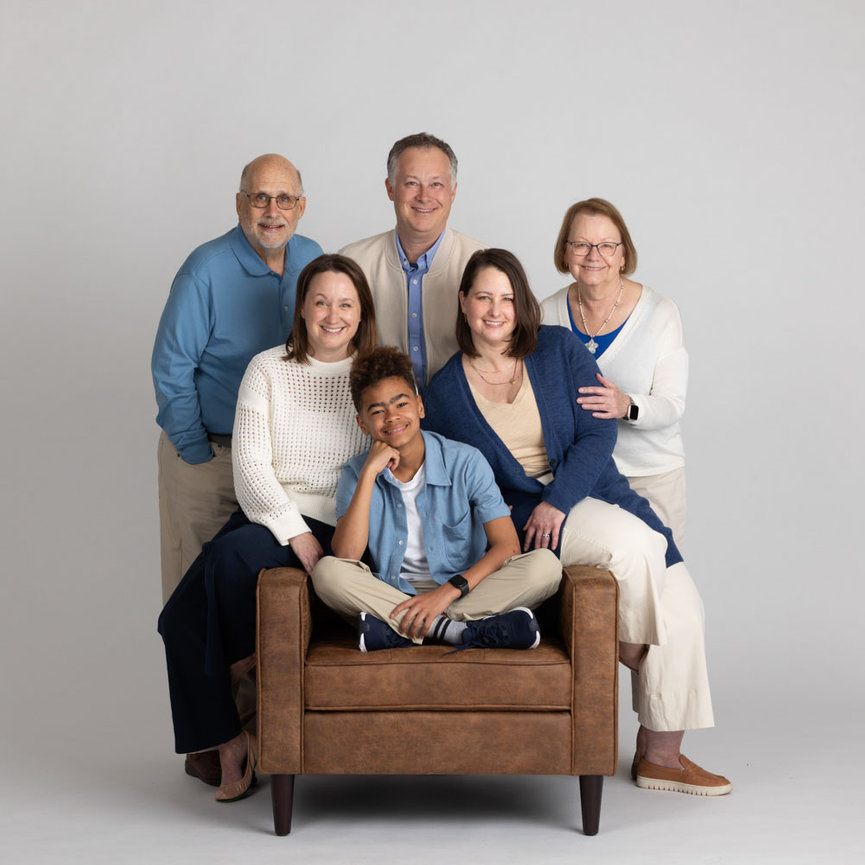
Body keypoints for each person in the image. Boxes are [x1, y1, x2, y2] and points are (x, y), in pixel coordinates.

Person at [423, 248, 730, 796]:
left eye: (507, 298)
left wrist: (559, 498)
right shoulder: (444, 393)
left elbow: (598, 432)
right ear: (464, 303)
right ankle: (636, 655)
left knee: (686, 607)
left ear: (521, 303)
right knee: (634, 547)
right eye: (484, 297)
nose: (495, 310)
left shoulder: (558, 349)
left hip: (593, 492)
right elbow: (458, 485)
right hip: (529, 523)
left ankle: (660, 757)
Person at [158, 254, 377, 804]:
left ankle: (233, 680)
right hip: (272, 515)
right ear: (302, 308)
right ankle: (231, 740)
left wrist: (328, 537)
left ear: (362, 312)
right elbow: (251, 466)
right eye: (321, 302)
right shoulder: (267, 368)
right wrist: (294, 533)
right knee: (176, 621)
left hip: (342, 523)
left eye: (345, 304)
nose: (332, 315)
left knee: (226, 560)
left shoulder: (374, 374)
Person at [152, 154, 323, 606]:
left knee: (261, 603)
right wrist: (197, 452)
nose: (273, 211)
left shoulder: (313, 259)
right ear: (239, 203)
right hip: (213, 458)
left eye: (284, 199)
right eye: (260, 198)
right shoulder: (204, 270)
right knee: (197, 598)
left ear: (301, 207)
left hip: (279, 467)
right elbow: (171, 369)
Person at [311, 347, 561, 651]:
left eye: (401, 404)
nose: (392, 417)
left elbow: (507, 546)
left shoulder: (466, 461)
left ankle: (406, 629)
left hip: (463, 589)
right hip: (393, 592)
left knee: (545, 567)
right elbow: (347, 555)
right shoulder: (356, 473)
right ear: (362, 423)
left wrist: (445, 594)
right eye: (377, 411)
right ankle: (457, 630)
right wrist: (368, 475)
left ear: (419, 407)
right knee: (328, 573)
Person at [541, 198, 688, 545]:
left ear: (624, 255)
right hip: (578, 481)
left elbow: (672, 405)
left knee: (657, 573)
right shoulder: (545, 314)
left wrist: (626, 406)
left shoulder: (660, 313)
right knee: (585, 581)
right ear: (565, 253)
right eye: (581, 244)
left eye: (607, 245)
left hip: (649, 478)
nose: (594, 255)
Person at [339, 133, 485, 390]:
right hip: (377, 412)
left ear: (453, 191)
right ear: (390, 189)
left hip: (464, 411)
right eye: (411, 183)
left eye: (436, 184)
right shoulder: (351, 264)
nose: (424, 196)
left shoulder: (485, 267)